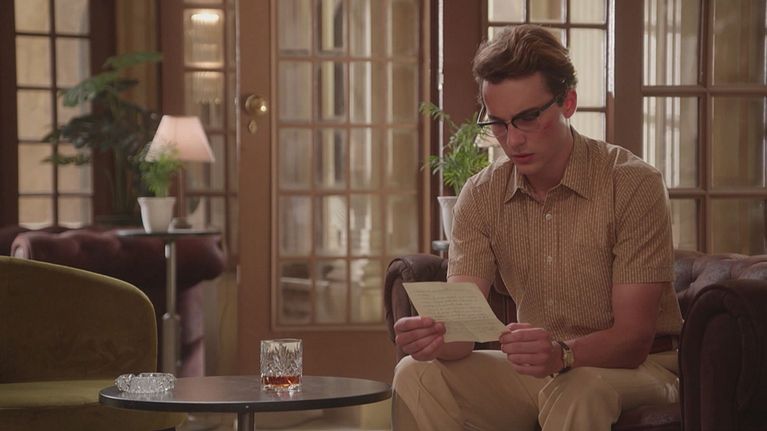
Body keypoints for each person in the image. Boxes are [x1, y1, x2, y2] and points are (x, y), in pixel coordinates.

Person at [391, 24, 683, 431]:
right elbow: (462, 334)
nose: (512, 141)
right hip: (540, 370)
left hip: (642, 368)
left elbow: (633, 339)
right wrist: (435, 339)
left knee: (579, 387)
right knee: (415, 373)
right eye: (498, 123)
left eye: (527, 118)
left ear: (568, 103)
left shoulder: (632, 183)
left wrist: (563, 354)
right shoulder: (481, 194)